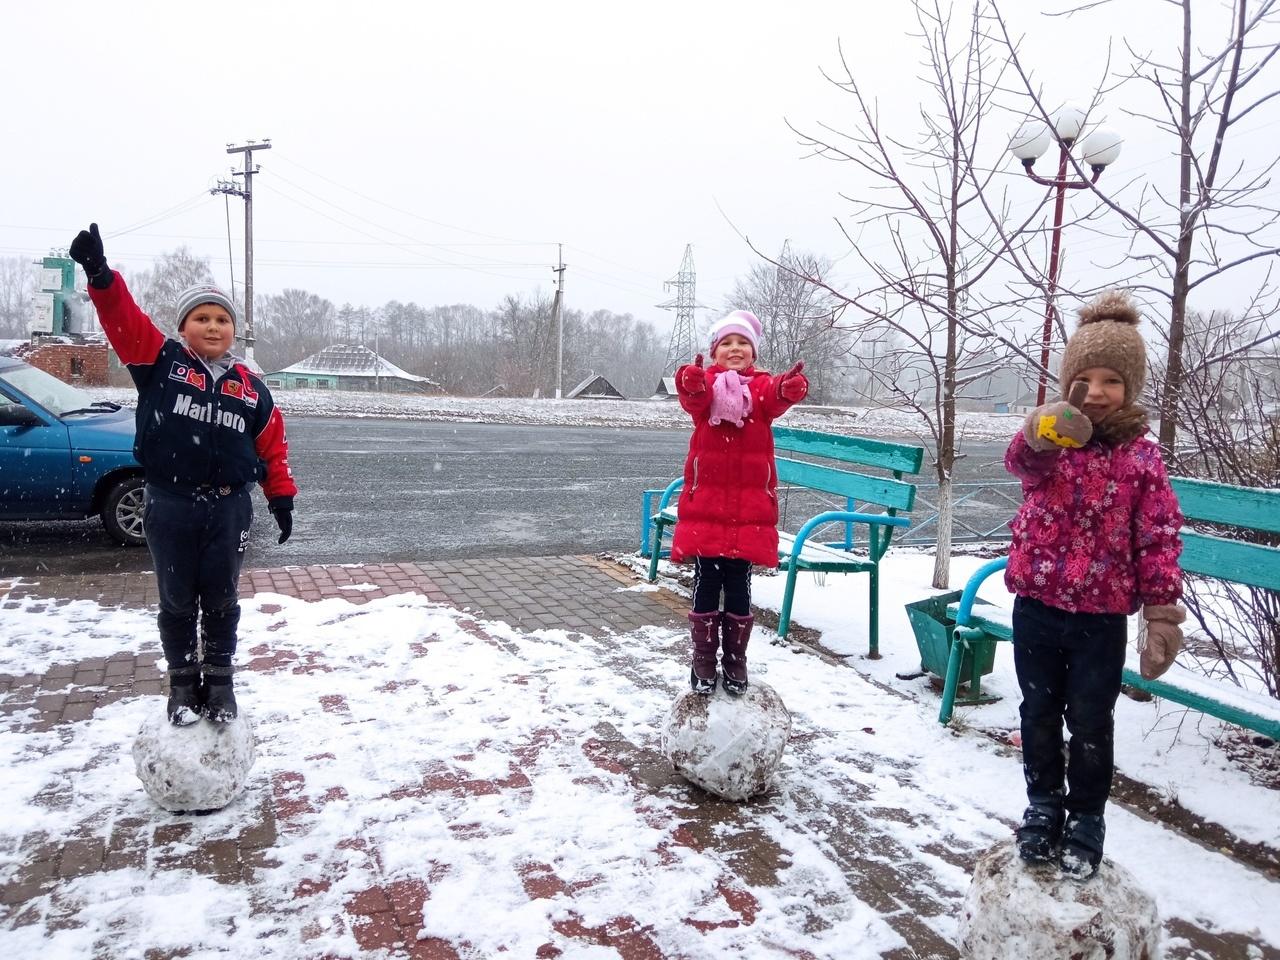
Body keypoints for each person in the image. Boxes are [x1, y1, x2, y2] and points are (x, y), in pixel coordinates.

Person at [70, 223, 297, 726]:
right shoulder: (160, 361)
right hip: (169, 503)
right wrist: (100, 276)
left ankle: (219, 681)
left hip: (229, 505)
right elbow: (122, 319)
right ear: (183, 327)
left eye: (222, 319)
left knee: (220, 598)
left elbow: (272, 446)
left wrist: (279, 498)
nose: (213, 327)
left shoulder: (251, 388)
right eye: (202, 318)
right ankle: (181, 684)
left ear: (234, 330)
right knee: (176, 600)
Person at [1004, 290, 1184, 879]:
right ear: (1069, 382)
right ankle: (1042, 805)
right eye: (1086, 378)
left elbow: (1157, 536)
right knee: (1037, 711)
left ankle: (1086, 817)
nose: (1099, 391)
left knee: (1089, 719)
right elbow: (1020, 466)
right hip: (1037, 604)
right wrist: (1040, 432)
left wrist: (1161, 615)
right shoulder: (1054, 439)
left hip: (1100, 618)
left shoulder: (1142, 458)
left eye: (1113, 379)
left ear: (1131, 387)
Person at [670, 310, 809, 696]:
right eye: (727, 343)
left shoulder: (761, 390)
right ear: (715, 352)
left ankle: (735, 659)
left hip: (748, 509)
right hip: (707, 504)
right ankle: (702, 658)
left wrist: (790, 387)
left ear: (753, 351)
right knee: (705, 579)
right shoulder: (709, 387)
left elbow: (778, 395)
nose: (735, 349)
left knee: (739, 584)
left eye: (742, 343)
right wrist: (690, 380)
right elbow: (693, 399)